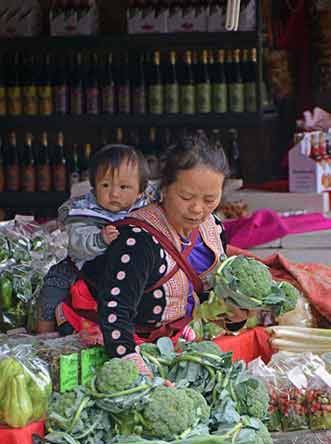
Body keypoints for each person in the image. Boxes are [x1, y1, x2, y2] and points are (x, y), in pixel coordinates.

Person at [56, 131, 235, 356]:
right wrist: (132, 363)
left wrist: (235, 315)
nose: (197, 209)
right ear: (164, 189)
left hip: (173, 341)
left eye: (209, 199)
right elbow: (115, 311)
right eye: (186, 197)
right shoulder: (139, 239)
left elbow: (210, 299)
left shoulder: (213, 230)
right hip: (117, 340)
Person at [37, 143, 155, 333]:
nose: (114, 193)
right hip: (84, 265)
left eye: (124, 187)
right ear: (93, 186)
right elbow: (75, 241)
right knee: (54, 281)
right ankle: (44, 333)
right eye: (105, 185)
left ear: (141, 191)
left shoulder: (147, 211)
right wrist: (98, 239)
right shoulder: (83, 210)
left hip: (132, 269)